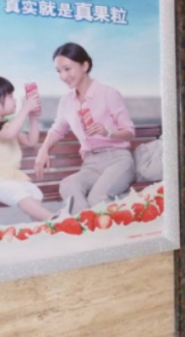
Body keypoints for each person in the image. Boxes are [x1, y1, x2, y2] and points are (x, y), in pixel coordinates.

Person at [34, 43, 136, 213]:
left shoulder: (108, 93)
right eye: (59, 71)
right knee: (68, 185)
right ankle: (87, 225)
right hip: (90, 164)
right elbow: (57, 130)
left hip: (118, 160)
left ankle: (95, 226)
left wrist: (108, 132)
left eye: (67, 69)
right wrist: (43, 150)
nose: (63, 76)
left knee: (97, 198)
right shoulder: (66, 102)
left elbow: (130, 133)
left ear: (85, 66)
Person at [0, 76, 72, 221]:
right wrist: (25, 109)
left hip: (5, 178)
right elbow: (9, 134)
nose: (15, 100)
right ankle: (54, 220)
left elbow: (30, 141)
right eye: (10, 96)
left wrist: (33, 118)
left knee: (34, 192)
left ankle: (42, 225)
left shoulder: (6, 123)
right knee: (18, 192)